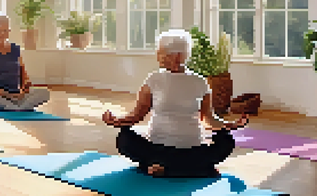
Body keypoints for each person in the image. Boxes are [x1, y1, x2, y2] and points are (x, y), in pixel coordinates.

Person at [102, 29, 248, 178]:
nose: (157, 56)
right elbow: (137, 115)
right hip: (158, 147)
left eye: (161, 52)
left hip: (192, 149)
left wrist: (229, 125)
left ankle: (163, 167)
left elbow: (208, 119)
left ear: (177, 55)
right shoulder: (154, 79)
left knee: (226, 140)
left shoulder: (200, 82)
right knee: (125, 138)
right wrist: (118, 121)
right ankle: (195, 169)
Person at [0, 13, 50, 111]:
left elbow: (23, 73)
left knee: (45, 93)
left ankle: (14, 107)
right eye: (0, 30)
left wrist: (25, 86)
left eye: (6, 31)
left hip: (15, 94)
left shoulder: (16, 49)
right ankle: (18, 107)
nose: (3, 34)